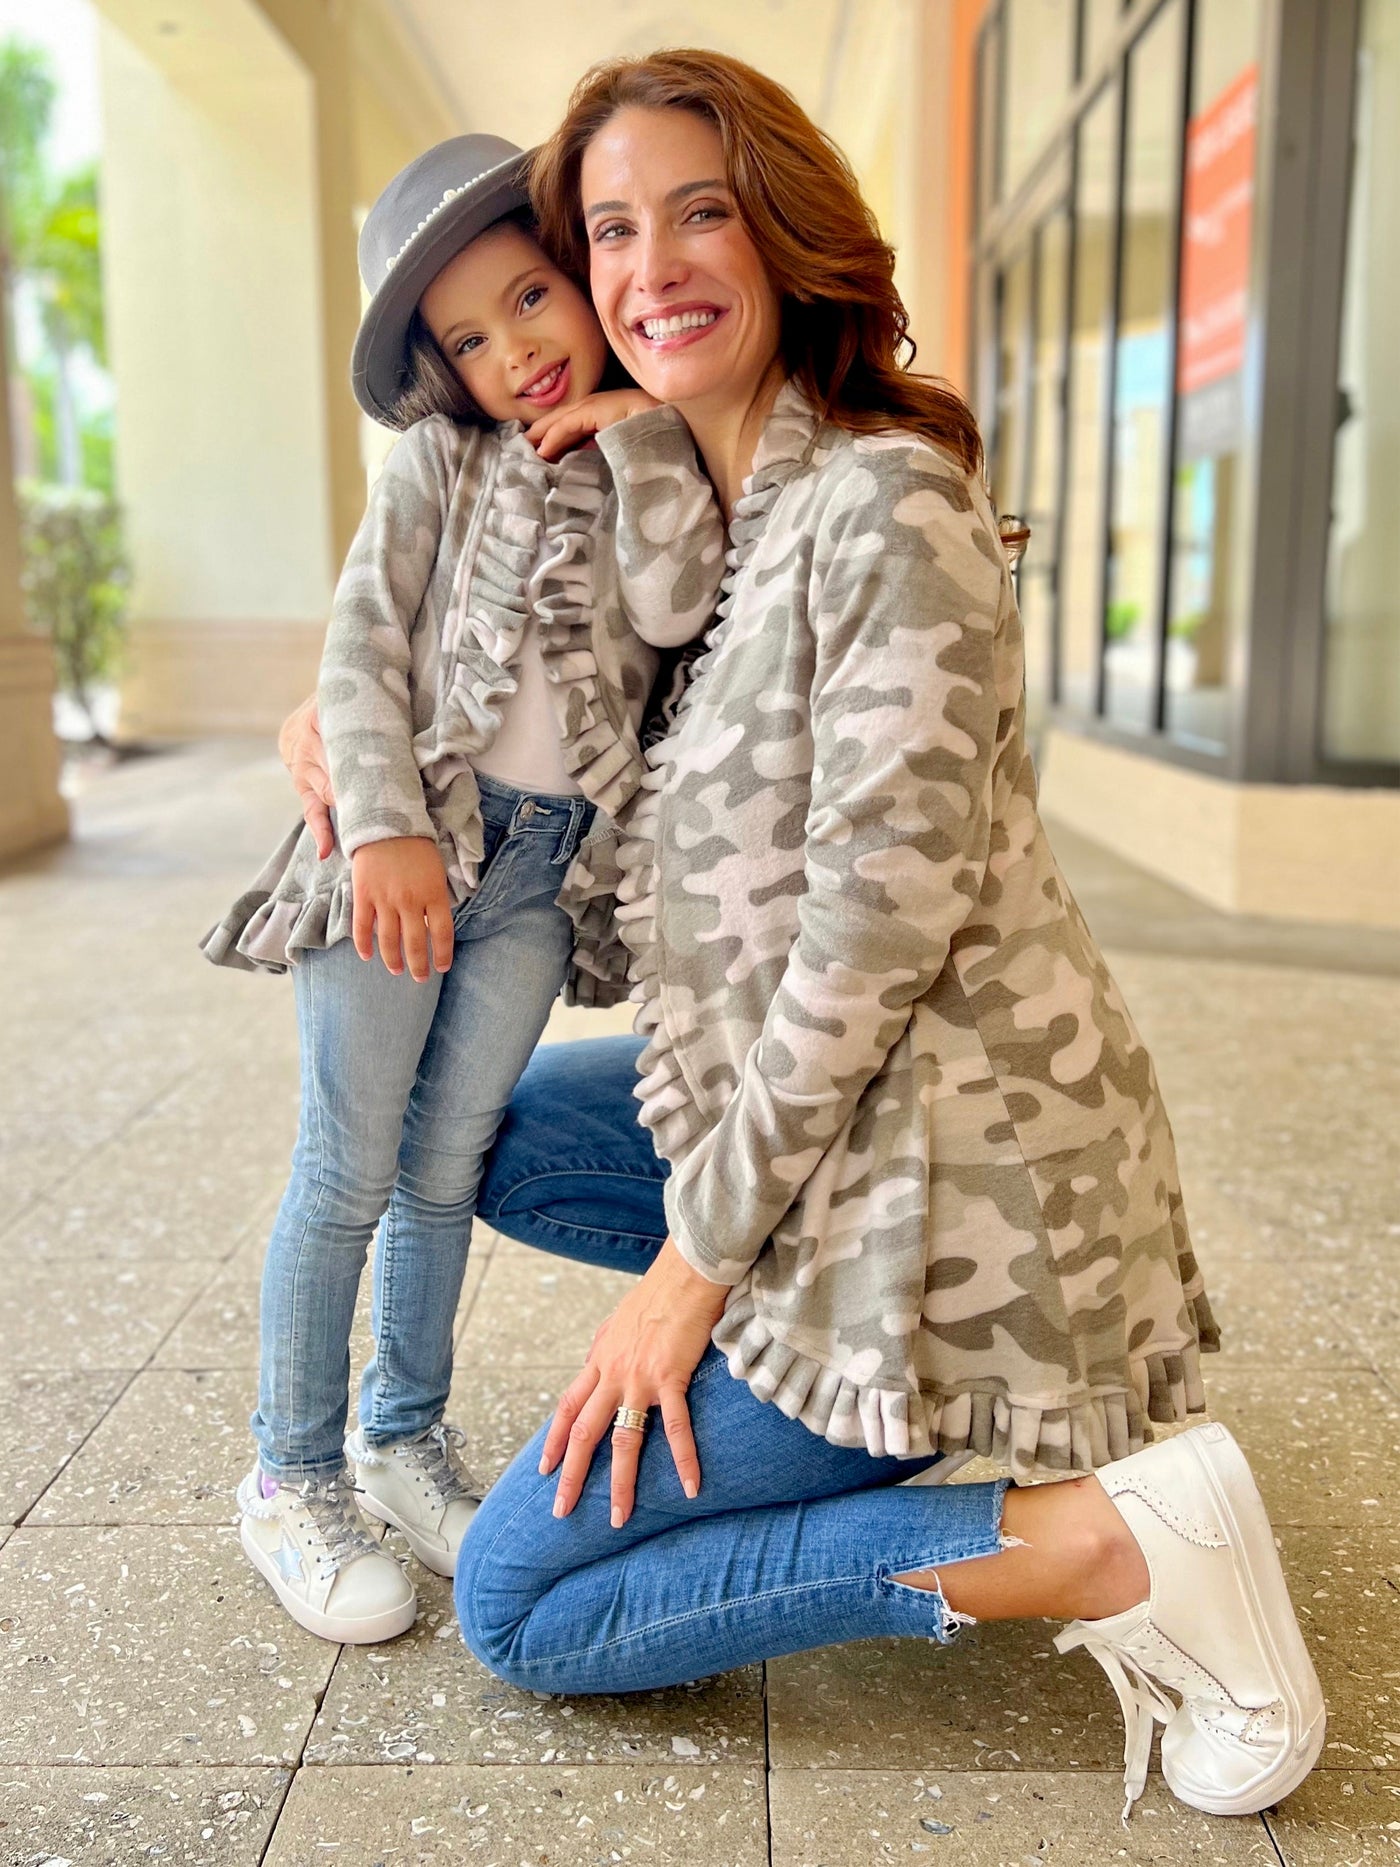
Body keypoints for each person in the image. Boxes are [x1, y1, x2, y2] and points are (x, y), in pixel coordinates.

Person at [280, 54, 1325, 1822]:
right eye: (612, 232)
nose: (652, 266)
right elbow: (503, 675)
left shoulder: (883, 504)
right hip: (835, 1139)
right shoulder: (707, 520)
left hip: (949, 1188)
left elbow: (865, 948)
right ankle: (834, 1411)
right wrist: (325, 727)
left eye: (702, 211)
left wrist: (684, 1289)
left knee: (526, 1604)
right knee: (505, 1140)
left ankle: (1100, 1541)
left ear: (782, 229)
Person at [203, 131, 723, 1646]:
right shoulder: (439, 463)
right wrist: (381, 830)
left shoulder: (655, 463)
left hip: (545, 876)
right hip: (408, 850)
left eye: (533, 300)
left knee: (446, 1172)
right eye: (472, 340)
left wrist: (641, 433)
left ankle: (401, 1436)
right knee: (346, 1169)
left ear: (581, 276)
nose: (517, 352)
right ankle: (290, 1477)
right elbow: (361, 645)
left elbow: (680, 602)